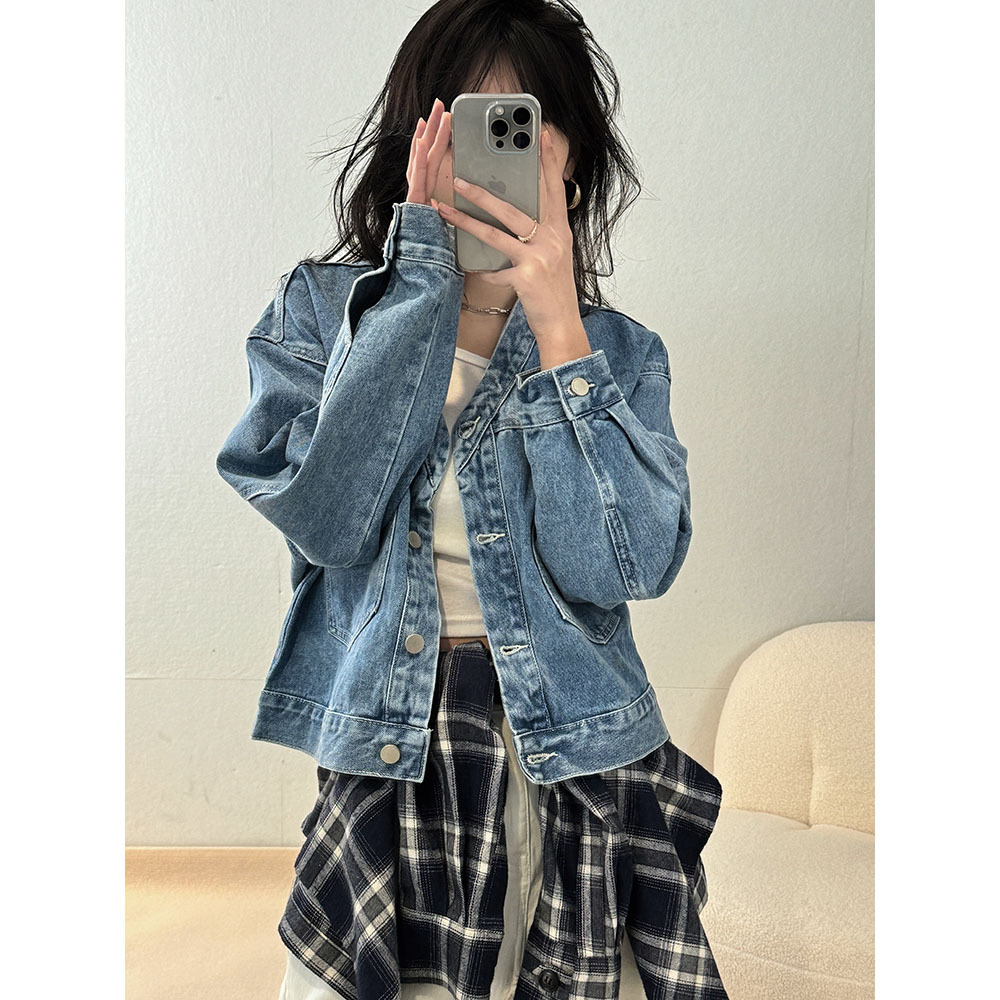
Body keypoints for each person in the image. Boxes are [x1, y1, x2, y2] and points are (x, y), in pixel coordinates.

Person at [216, 3, 729, 999]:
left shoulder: (619, 354)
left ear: (569, 157)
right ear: (417, 135)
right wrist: (417, 284)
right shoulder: (320, 315)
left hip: (573, 764)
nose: (492, 155)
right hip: (393, 758)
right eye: (465, 120)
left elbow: (625, 566)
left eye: (520, 125)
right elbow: (327, 521)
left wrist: (559, 326)